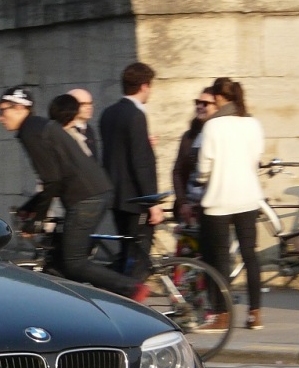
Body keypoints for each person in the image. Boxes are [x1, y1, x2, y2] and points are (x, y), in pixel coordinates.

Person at [0, 87, 147, 301]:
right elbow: (55, 177)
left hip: (86, 197)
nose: (0, 117)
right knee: (58, 263)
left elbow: (53, 179)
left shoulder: (31, 131)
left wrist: (36, 220)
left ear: (20, 108)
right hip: (92, 192)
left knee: (74, 262)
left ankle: (130, 288)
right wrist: (30, 208)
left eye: (3, 110)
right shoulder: (37, 126)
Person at [198, 77, 265, 330]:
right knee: (250, 255)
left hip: (218, 199)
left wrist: (204, 178)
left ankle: (222, 315)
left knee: (219, 258)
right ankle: (255, 313)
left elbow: (204, 167)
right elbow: (256, 159)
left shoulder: (213, 126)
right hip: (248, 197)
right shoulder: (253, 124)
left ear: (217, 97)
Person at [99, 62, 162, 277]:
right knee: (140, 255)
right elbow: (140, 162)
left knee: (126, 252)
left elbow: (118, 152)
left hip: (116, 196)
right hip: (135, 199)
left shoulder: (108, 113)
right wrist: (152, 202)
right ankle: (132, 298)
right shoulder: (136, 115)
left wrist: (144, 143)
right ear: (144, 86)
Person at [172, 87, 218, 225]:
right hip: (190, 209)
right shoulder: (189, 136)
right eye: (197, 102)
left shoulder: (221, 136)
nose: (199, 106)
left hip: (215, 208)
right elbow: (178, 171)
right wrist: (182, 203)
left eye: (205, 103)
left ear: (217, 107)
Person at [67, 87, 98, 159]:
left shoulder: (89, 129)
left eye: (90, 103)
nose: (89, 107)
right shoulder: (65, 131)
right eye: (83, 104)